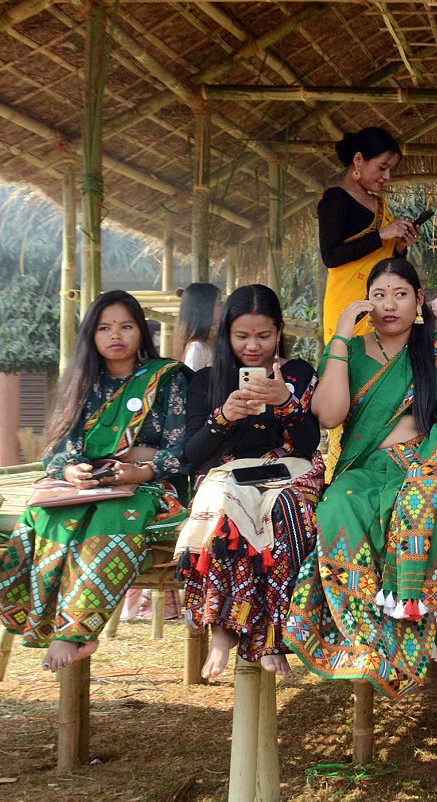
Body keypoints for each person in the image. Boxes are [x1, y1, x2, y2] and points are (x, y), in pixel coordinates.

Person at [283, 258, 437, 696]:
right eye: (378, 295)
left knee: (426, 508)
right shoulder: (349, 349)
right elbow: (328, 417)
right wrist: (343, 332)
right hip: (362, 468)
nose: (389, 306)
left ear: (417, 299)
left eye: (401, 294)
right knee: (339, 505)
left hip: (424, 467)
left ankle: (409, 638)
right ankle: (365, 638)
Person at [0, 291, 190, 672]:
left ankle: (76, 632)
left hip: (147, 485)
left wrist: (141, 469)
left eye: (126, 326)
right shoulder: (82, 381)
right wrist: (70, 470)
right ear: (91, 335)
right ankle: (44, 621)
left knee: (111, 519)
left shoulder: (168, 378)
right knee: (48, 518)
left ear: (141, 331)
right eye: (104, 328)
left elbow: (183, 448)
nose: (116, 335)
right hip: (85, 486)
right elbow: (57, 450)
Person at [174, 285, 323, 677]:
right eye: (242, 336)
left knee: (289, 513)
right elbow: (191, 452)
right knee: (222, 507)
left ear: (279, 332)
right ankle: (222, 629)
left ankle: (271, 635)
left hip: (288, 472)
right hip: (229, 475)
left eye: (264, 336)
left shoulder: (299, 373)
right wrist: (223, 415)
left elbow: (308, 444)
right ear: (226, 334)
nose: (253, 346)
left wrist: (286, 404)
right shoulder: (206, 381)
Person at [121, 281, 223, 624]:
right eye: (218, 304)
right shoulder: (197, 350)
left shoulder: (205, 346)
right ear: (206, 309)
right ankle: (158, 603)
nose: (222, 310)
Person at [319, 127, 420, 342]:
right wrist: (381, 236)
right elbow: (331, 256)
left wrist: (400, 246)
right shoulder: (336, 199)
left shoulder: (379, 204)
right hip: (348, 305)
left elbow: (385, 262)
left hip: (383, 305)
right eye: (382, 168)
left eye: (390, 170)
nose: (387, 176)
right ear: (358, 161)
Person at [174, 281, 223, 369]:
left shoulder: (213, 342)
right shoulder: (196, 348)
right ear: (206, 308)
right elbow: (192, 381)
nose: (222, 307)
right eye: (219, 303)